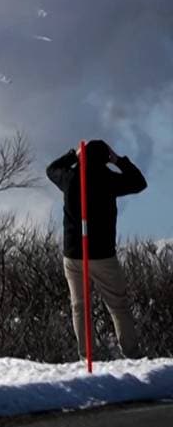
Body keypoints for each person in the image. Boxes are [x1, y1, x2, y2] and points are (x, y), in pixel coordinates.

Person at [46, 140, 147, 359]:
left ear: (83, 157)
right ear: (105, 158)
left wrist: (72, 155)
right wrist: (118, 160)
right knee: (118, 305)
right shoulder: (108, 180)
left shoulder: (70, 178)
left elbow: (51, 169)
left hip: (73, 255)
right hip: (103, 255)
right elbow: (139, 183)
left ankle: (86, 356)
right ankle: (132, 354)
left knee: (79, 306)